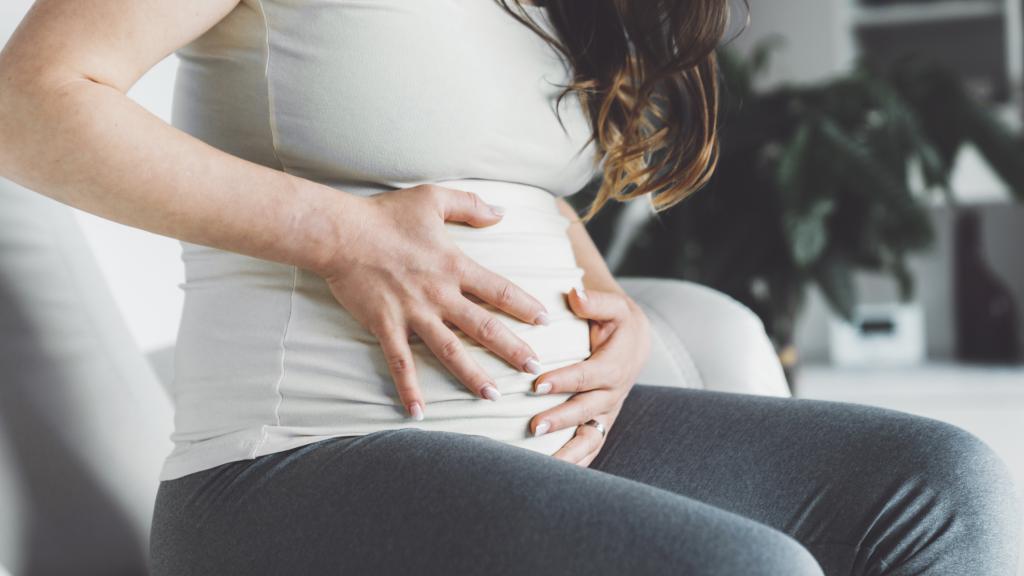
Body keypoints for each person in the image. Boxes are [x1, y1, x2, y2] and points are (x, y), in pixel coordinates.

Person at [0, 1, 1018, 574]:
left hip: (556, 441)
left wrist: (604, 304)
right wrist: (337, 234)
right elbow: (30, 104)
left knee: (939, 486)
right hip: (294, 467)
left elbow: (513, 189)